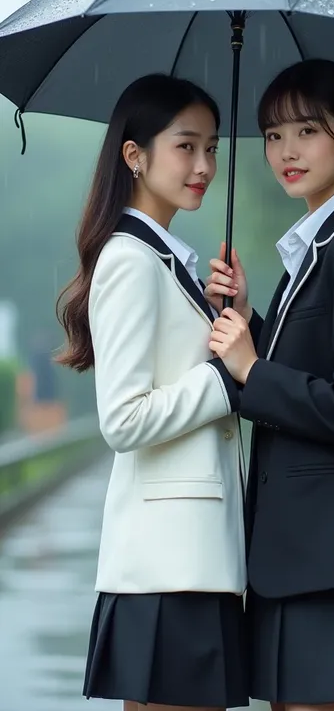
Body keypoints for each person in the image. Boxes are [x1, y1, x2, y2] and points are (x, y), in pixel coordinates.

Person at [205, 59, 334, 711]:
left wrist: (250, 367)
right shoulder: (320, 244)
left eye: (306, 131)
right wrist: (251, 319)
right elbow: (316, 369)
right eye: (272, 135)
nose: (285, 151)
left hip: (325, 557)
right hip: (292, 555)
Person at [56, 74, 248, 711]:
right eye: (185, 147)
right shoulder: (130, 260)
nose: (204, 166)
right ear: (134, 155)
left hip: (192, 558)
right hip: (168, 564)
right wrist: (224, 377)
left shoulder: (169, 261)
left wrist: (230, 319)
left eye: (212, 148)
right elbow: (122, 419)